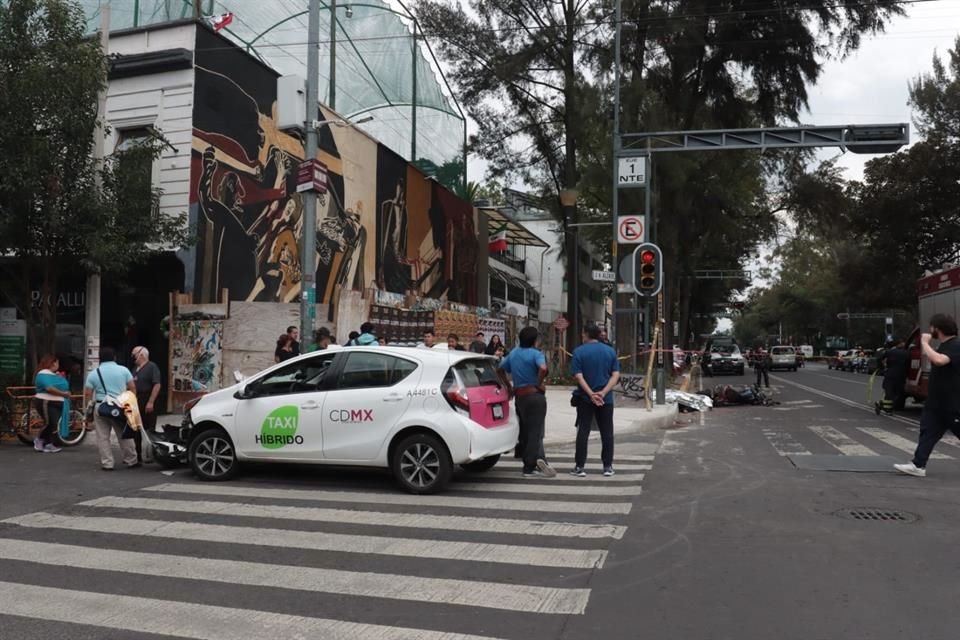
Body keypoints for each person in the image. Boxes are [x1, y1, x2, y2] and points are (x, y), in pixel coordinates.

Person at [895, 314, 960, 477]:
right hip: (936, 403)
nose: (930, 331)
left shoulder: (956, 345)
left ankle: (918, 464)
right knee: (927, 433)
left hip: (952, 402)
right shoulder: (945, 345)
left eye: (932, 328)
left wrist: (924, 343)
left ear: (937, 329)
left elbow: (939, 361)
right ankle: (918, 465)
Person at [498, 327, 555, 478]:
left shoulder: (514, 353)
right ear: (535, 340)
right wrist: (538, 382)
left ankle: (529, 459)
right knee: (535, 432)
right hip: (535, 396)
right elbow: (542, 368)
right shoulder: (536, 354)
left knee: (525, 430)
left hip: (520, 397)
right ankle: (530, 467)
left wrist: (508, 386)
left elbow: (500, 369)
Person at [570, 324, 621, 477]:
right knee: (607, 432)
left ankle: (579, 466)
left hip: (585, 398)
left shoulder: (579, 352)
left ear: (585, 334)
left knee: (583, 431)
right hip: (606, 399)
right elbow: (615, 375)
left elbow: (578, 376)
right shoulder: (610, 351)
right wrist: (603, 393)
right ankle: (607, 466)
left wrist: (591, 394)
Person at [84, 347, 138, 471]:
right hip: (119, 405)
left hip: (101, 406)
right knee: (124, 434)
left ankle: (107, 463)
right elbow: (132, 387)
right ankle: (131, 460)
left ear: (99, 359)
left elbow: (88, 393)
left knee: (102, 437)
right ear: (114, 357)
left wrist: (89, 408)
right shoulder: (123, 370)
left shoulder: (94, 373)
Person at [131, 346, 162, 465]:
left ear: (142, 355)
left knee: (149, 429)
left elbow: (157, 384)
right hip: (136, 400)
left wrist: (151, 401)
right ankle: (137, 456)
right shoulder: (135, 368)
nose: (133, 356)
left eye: (134, 354)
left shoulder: (152, 367)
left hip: (147, 398)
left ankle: (151, 454)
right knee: (136, 429)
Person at [33, 354, 71, 453]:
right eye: (57, 362)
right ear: (52, 363)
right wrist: (63, 393)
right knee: (50, 422)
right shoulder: (42, 374)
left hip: (57, 401)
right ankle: (39, 440)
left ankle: (49, 443)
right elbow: (49, 388)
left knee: (54, 424)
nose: (58, 364)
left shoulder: (54, 374)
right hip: (46, 401)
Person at [877, 339, 909, 416]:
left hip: (890, 374)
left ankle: (884, 407)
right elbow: (908, 365)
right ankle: (884, 406)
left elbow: (879, 359)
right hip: (901, 376)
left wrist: (881, 368)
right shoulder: (907, 353)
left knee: (889, 392)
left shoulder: (889, 352)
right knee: (897, 393)